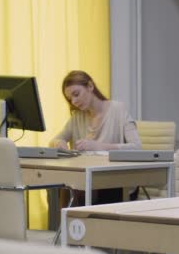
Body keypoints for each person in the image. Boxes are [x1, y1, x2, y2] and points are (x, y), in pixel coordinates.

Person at [49, 70, 141, 206]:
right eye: (70, 99)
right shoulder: (78, 117)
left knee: (80, 190)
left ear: (90, 86)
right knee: (59, 186)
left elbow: (136, 147)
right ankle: (68, 225)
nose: (74, 101)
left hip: (115, 180)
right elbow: (54, 141)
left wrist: (100, 146)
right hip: (87, 181)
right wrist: (59, 143)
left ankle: (76, 225)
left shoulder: (118, 110)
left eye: (76, 94)